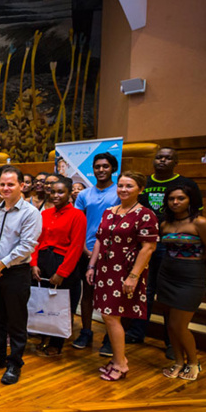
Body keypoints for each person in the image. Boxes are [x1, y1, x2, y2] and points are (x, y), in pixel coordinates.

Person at [130, 147, 204, 355]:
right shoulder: (145, 183)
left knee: (166, 295)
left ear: (176, 162)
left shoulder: (187, 184)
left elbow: (197, 215)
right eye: (159, 157)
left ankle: (171, 342)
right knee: (144, 290)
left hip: (170, 244)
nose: (162, 161)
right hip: (144, 243)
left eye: (167, 158)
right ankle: (137, 332)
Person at [87, 171, 158, 381]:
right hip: (105, 269)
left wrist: (134, 277)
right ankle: (119, 359)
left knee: (111, 316)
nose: (123, 190)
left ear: (140, 190)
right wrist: (92, 266)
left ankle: (120, 363)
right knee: (108, 316)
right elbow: (99, 239)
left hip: (126, 272)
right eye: (121, 186)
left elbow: (148, 247)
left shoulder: (145, 214)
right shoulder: (109, 211)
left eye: (129, 186)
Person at [0, 166, 42, 385]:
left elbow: (27, 246)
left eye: (10, 184)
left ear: (21, 186)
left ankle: (14, 363)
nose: (5, 188)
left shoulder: (30, 213)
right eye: (2, 184)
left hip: (15, 272)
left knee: (16, 320)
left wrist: (1, 265)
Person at [157, 185, 206, 381]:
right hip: (166, 276)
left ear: (190, 200)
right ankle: (178, 362)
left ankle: (193, 362)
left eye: (180, 198)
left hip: (191, 280)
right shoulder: (165, 224)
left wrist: (197, 271)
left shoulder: (200, 223)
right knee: (170, 325)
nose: (175, 202)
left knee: (179, 326)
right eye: (171, 199)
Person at [30, 178, 86, 356]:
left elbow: (76, 247)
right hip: (43, 260)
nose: (55, 195)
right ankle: (44, 336)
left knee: (61, 304)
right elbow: (36, 241)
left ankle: (57, 342)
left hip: (63, 262)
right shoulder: (44, 214)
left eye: (60, 192)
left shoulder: (77, 215)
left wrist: (62, 272)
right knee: (43, 302)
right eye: (53, 192)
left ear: (69, 194)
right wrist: (33, 264)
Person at [72, 152, 120, 355]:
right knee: (88, 294)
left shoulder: (120, 191)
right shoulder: (84, 195)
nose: (101, 170)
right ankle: (86, 331)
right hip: (87, 250)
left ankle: (110, 337)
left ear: (113, 168)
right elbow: (79, 224)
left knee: (111, 296)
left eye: (105, 166)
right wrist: (84, 248)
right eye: (97, 166)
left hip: (113, 253)